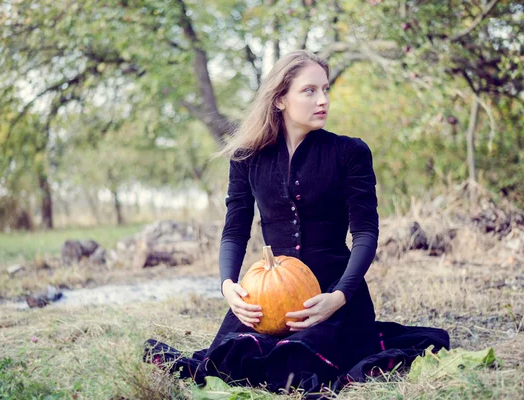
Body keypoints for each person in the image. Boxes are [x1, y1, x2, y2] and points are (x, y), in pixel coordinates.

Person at [144, 50, 449, 397]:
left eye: (325, 89)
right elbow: (235, 229)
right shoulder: (247, 157)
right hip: (266, 295)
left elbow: (365, 232)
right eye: (309, 91)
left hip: (333, 292)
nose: (323, 100)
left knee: (300, 361)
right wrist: (228, 286)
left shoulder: (349, 152)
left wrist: (338, 296)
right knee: (234, 358)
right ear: (280, 100)